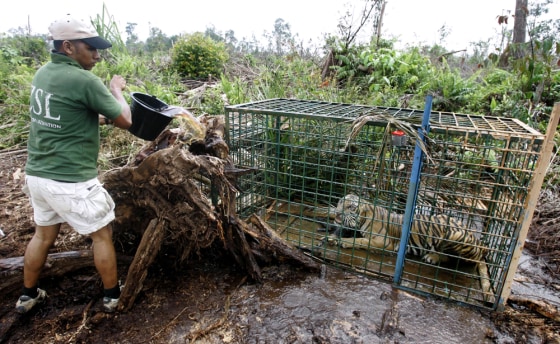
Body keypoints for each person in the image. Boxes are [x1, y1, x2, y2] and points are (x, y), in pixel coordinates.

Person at [15, 14, 133, 314]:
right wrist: (116, 90)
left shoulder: (44, 74)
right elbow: (126, 120)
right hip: (70, 180)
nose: (97, 55)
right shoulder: (84, 80)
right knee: (101, 234)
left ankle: (28, 295)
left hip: (39, 177)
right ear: (67, 47)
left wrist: (100, 119)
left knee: (43, 235)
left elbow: (67, 113)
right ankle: (112, 296)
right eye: (90, 48)